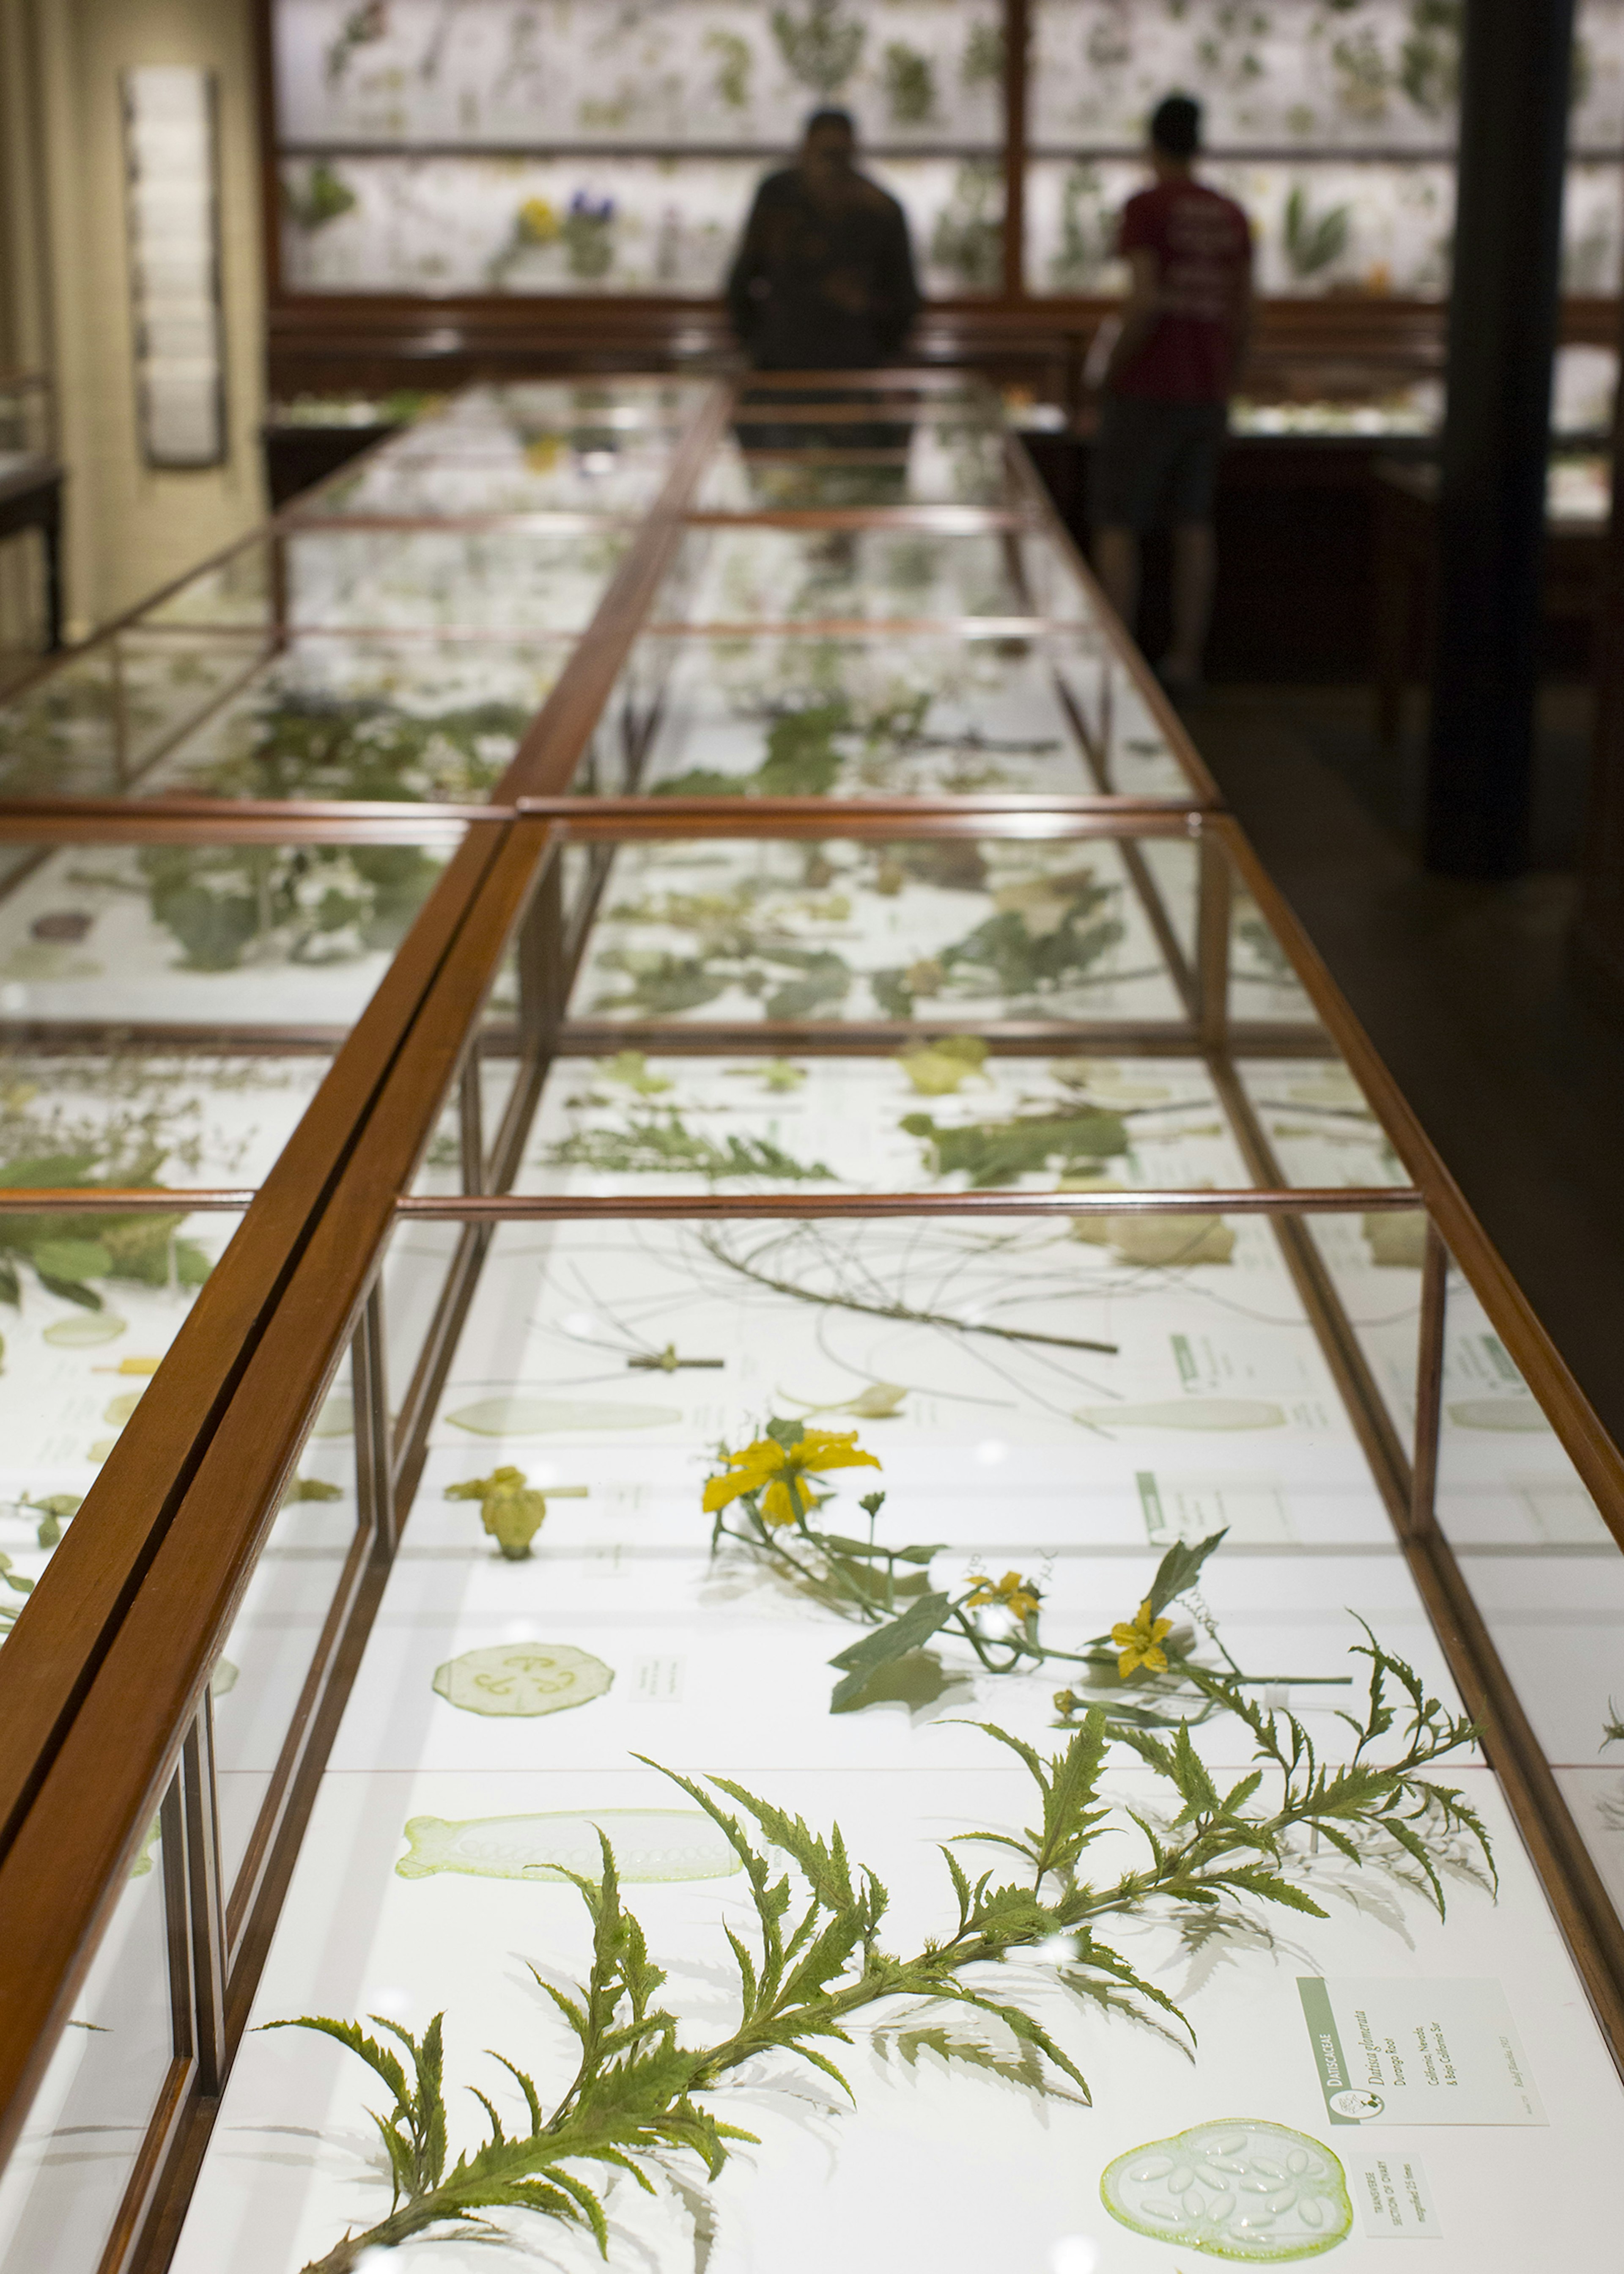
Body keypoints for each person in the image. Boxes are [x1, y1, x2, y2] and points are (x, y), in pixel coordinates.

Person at [1091, 93, 1253, 697]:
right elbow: (1246, 313)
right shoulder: (1229, 214)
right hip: (1206, 389)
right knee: (1192, 522)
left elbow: (1144, 301)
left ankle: (1118, 660)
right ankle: (1187, 659)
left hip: (1146, 387)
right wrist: (1227, 385)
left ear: (1152, 145)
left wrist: (1105, 374)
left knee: (1117, 521)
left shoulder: (1146, 207)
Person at [726, 110, 921, 371]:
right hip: (783, 358)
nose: (830, 168)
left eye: (838, 156)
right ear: (805, 151)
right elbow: (743, 279)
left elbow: (904, 298)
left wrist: (877, 346)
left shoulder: (881, 210)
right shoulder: (777, 198)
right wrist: (757, 341)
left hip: (854, 359)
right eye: (824, 153)